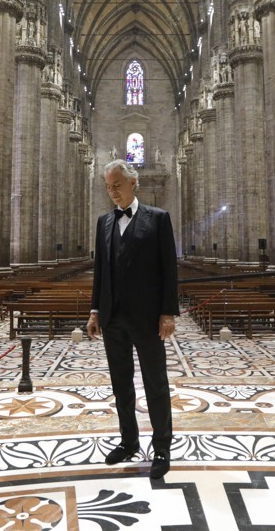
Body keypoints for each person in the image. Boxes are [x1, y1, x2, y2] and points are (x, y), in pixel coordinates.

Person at [87, 159, 178, 479]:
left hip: (147, 317)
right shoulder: (104, 222)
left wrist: (168, 313)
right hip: (113, 319)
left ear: (132, 184)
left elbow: (169, 270)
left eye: (117, 185)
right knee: (121, 384)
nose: (112, 191)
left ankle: (162, 447)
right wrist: (95, 311)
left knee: (156, 383)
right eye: (108, 186)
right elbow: (101, 271)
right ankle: (128, 441)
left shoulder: (158, 219)